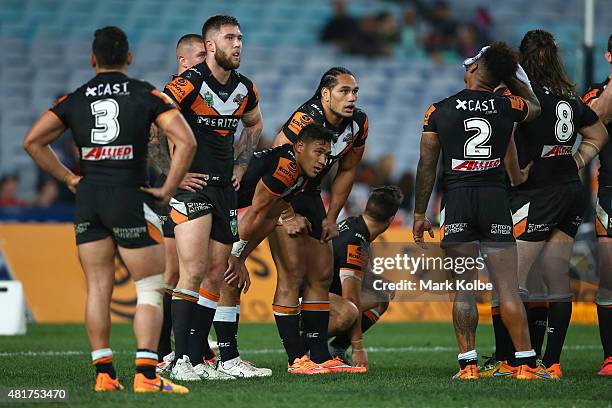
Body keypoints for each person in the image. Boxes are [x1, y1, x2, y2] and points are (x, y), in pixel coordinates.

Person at [23, 26, 196, 393]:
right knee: (149, 288)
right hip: (127, 196)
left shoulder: (75, 97)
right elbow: (186, 140)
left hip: (89, 198)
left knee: (98, 287)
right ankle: (147, 377)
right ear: (129, 58)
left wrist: (69, 179)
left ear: (92, 59)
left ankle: (104, 374)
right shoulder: (143, 93)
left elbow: (33, 141)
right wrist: (167, 188)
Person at [413, 43, 556, 380]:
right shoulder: (507, 105)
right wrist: (517, 78)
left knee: (462, 289)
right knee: (507, 288)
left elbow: (427, 165)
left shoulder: (438, 110)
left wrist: (420, 213)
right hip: (494, 200)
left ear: (475, 70)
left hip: (458, 201)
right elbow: (535, 107)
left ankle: (469, 366)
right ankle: (526, 364)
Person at [480, 30, 609, 379]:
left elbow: (504, 137)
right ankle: (551, 362)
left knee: (511, 281)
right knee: (556, 280)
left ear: (522, 59)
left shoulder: (523, 97)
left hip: (536, 194)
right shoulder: (569, 97)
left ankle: (515, 361)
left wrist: (515, 174)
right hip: (570, 192)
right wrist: (576, 162)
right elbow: (598, 134)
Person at [162, 15, 264, 381]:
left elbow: (253, 124)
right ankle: (180, 360)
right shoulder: (186, 85)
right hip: (193, 189)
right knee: (191, 271)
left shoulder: (245, 89)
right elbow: (151, 123)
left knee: (216, 275)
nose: (238, 44)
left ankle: (196, 361)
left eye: (240, 37)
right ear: (209, 46)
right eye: (230, 38)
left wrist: (241, 164)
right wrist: (172, 174)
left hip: (224, 188)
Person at [267, 67, 368, 374]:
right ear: (325, 94)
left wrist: (332, 216)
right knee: (292, 276)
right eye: (344, 92)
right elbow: (276, 157)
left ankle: (320, 357)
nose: (351, 98)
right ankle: (296, 359)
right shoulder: (306, 118)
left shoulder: (359, 123)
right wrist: (285, 213)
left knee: (321, 276)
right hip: (280, 194)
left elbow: (348, 170)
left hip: (311, 196)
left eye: (354, 92)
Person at [223, 122, 334, 374]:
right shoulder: (287, 167)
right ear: (299, 146)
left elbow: (271, 218)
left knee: (224, 278)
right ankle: (212, 357)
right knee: (219, 278)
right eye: (318, 152)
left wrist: (239, 257)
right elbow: (257, 211)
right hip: (208, 200)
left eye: (326, 155)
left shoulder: (304, 175)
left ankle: (210, 356)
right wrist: (234, 255)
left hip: (223, 205)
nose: (322, 160)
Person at [149, 33, 208, 367]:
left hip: (202, 191)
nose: (206, 61)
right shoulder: (173, 94)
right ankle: (161, 350)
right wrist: (175, 175)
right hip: (175, 192)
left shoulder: (208, 93)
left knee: (193, 272)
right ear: (183, 61)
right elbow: (153, 136)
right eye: (200, 56)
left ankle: (182, 346)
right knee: (173, 272)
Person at [327, 186, 404, 370]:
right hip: (308, 301)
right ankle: (308, 346)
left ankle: (336, 348)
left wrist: (380, 282)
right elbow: (351, 298)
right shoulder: (355, 241)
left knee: (381, 296)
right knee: (349, 310)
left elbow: (359, 272)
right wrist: (358, 347)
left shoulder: (354, 225)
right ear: (391, 220)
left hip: (320, 294)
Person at [582, 33, 612, 377]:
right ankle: (609, 355)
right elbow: (593, 120)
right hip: (611, 190)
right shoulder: (595, 92)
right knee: (609, 277)